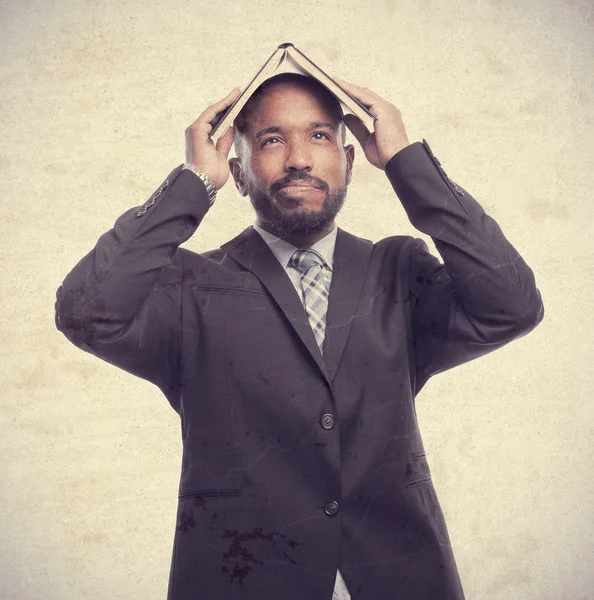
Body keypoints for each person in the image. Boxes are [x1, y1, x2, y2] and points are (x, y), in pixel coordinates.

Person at [54, 71, 544, 600]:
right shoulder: (188, 286)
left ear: (349, 162)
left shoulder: (398, 270)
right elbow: (87, 312)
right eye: (271, 139)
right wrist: (192, 183)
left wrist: (407, 164)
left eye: (318, 136)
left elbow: (511, 306)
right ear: (237, 174)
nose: (299, 159)